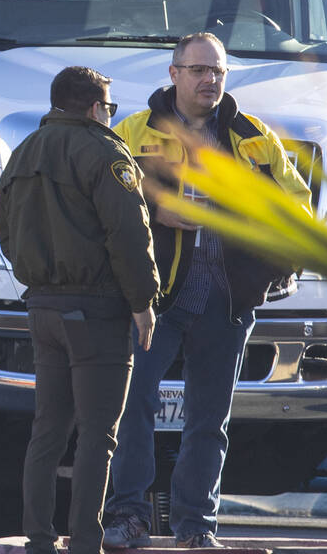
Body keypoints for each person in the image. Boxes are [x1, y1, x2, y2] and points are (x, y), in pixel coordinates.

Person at [103, 32, 311, 549]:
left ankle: (197, 527)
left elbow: (298, 209)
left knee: (209, 422)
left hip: (228, 301)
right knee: (133, 410)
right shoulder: (134, 130)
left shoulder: (253, 136)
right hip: (157, 300)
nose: (209, 80)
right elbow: (102, 204)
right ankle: (125, 517)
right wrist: (156, 212)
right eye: (197, 70)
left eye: (217, 71)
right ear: (173, 74)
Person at [0, 66, 160, 554]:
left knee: (47, 429)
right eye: (108, 108)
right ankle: (88, 542)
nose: (109, 116)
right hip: (96, 312)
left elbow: (7, 229)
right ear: (94, 107)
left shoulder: (23, 153)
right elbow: (130, 233)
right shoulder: (105, 152)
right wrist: (143, 301)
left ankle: (39, 540)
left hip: (42, 306)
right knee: (97, 434)